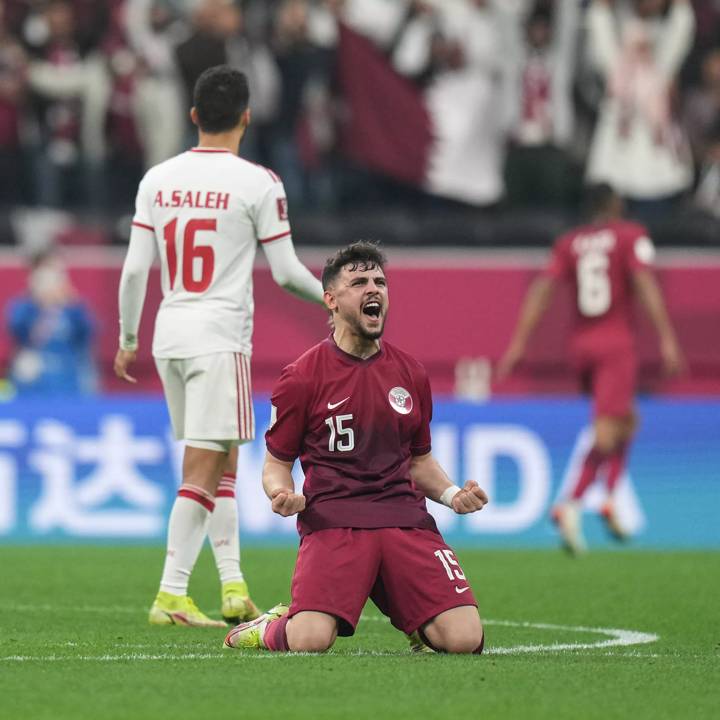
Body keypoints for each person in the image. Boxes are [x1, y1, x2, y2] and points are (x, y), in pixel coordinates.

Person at [114, 65, 324, 627]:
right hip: (218, 337)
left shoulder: (157, 178)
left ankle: (233, 587)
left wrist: (128, 335)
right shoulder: (259, 182)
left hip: (168, 335)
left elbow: (136, 269)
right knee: (204, 468)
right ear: (247, 117)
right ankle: (171, 595)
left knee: (221, 458)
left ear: (193, 117)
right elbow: (283, 273)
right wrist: (333, 297)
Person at [224, 241, 489, 655]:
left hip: (404, 521)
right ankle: (271, 627)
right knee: (310, 641)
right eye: (359, 282)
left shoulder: (410, 372)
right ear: (330, 299)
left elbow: (419, 461)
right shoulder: (302, 377)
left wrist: (454, 495)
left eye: (380, 282)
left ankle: (419, 622)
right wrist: (280, 493)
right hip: (334, 523)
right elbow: (276, 462)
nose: (374, 290)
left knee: (464, 639)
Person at [497, 183, 684, 554]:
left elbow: (542, 290)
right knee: (607, 430)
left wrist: (518, 343)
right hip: (616, 343)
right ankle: (572, 503)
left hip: (580, 346)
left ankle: (611, 496)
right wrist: (667, 336)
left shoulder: (569, 242)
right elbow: (645, 281)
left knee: (627, 421)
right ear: (616, 205)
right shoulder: (631, 236)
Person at [7, 249, 97, 395]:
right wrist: (37, 303)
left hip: (68, 377)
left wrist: (70, 302)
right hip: (34, 378)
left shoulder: (73, 307)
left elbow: (88, 333)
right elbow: (17, 331)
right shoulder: (23, 305)